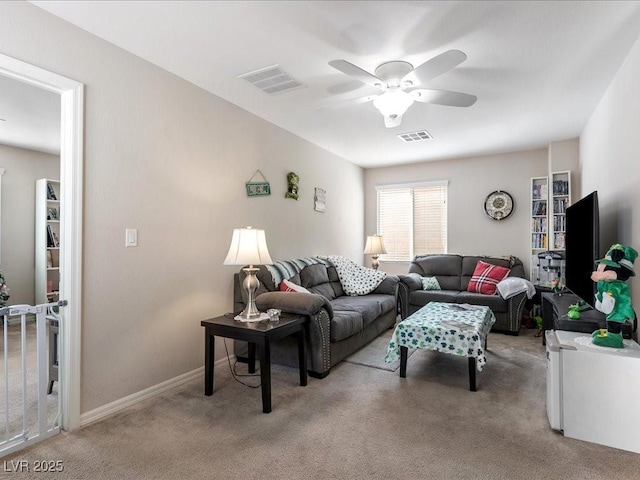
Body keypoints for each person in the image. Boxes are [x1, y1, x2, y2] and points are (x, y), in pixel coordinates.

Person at [590, 244, 637, 348]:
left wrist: (606, 300)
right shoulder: (608, 283)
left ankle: (614, 338)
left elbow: (612, 296)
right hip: (613, 310)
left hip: (618, 310)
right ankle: (610, 333)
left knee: (614, 322)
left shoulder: (616, 285)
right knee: (610, 320)